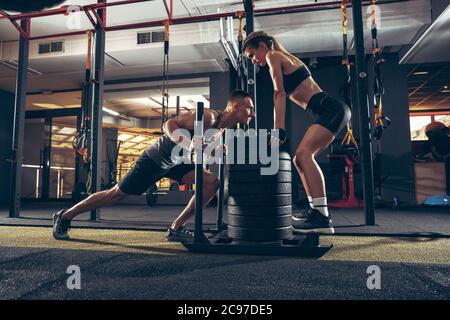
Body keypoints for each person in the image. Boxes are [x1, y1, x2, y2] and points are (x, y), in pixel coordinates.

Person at [53, 90, 255, 242]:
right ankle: (65, 216)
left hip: (177, 162)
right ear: (236, 106)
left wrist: (215, 151)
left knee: (212, 183)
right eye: (250, 108)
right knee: (115, 195)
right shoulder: (208, 116)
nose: (252, 113)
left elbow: (200, 149)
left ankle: (176, 228)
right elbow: (169, 124)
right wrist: (187, 143)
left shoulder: (220, 131)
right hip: (155, 159)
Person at [243, 31, 351, 234]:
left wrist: (278, 129)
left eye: (252, 55)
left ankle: (322, 217)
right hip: (330, 111)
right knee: (299, 159)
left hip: (331, 110)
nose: (254, 61)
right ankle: (317, 212)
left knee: (303, 155)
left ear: (262, 47)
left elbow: (279, 93)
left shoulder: (272, 56)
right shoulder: (285, 57)